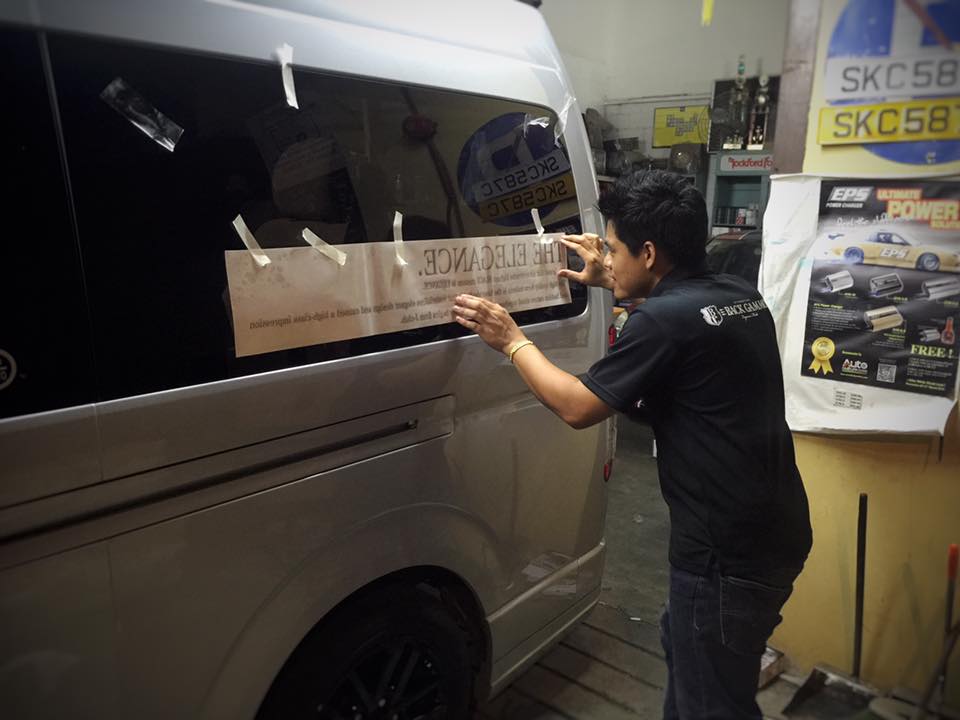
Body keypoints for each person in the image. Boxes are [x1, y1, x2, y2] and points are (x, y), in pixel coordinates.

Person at [452, 170, 812, 720]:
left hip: (724, 556)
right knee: (691, 658)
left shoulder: (662, 322)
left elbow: (577, 406)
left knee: (711, 703)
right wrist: (612, 282)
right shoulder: (737, 295)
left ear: (648, 253)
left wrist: (512, 339)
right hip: (774, 530)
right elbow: (682, 341)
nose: (606, 260)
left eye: (613, 250)